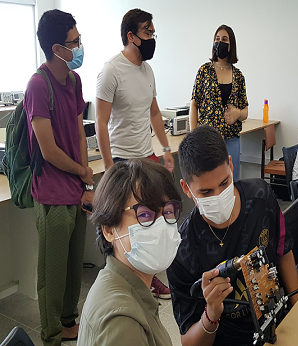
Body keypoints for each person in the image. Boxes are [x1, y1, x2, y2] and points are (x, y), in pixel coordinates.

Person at [167, 126, 298, 346]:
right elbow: (189, 342)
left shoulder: (261, 196)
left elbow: (283, 249)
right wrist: (211, 314)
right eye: (206, 192)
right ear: (187, 189)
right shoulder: (181, 250)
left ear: (231, 165)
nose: (219, 197)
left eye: (224, 183)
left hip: (281, 324)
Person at [26, 10, 93, 345]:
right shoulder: (38, 85)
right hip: (51, 192)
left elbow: (79, 133)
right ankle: (51, 334)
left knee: (72, 267)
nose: (80, 46)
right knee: (52, 274)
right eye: (74, 42)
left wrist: (85, 182)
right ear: (56, 48)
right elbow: (49, 150)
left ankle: (68, 322)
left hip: (75, 188)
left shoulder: (75, 80)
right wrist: (82, 171)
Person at [96, 8, 173, 298]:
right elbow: (101, 122)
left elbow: (154, 112)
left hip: (146, 156)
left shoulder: (147, 70)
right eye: (147, 32)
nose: (152, 37)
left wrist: (164, 149)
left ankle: (149, 277)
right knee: (127, 229)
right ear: (131, 36)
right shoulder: (111, 70)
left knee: (151, 223)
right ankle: (120, 283)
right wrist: (108, 169)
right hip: (121, 161)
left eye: (153, 32)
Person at [78, 159, 182, 345]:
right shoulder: (122, 323)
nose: (161, 226)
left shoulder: (129, 288)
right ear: (109, 230)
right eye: (144, 214)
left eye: (167, 212)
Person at [189, 24, 248, 181]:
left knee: (232, 183)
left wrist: (238, 113)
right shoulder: (204, 71)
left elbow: (245, 111)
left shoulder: (238, 75)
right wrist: (194, 137)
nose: (219, 42)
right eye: (217, 39)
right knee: (209, 183)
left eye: (224, 39)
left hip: (231, 139)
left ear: (231, 45)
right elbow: (194, 104)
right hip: (207, 140)